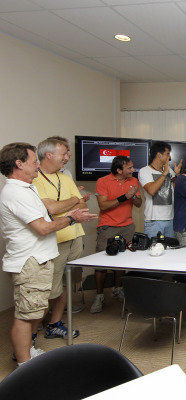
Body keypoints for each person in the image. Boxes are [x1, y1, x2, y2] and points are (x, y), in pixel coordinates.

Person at [0, 143, 96, 365]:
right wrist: (72, 219)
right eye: (33, 162)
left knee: (34, 311)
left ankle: (28, 351)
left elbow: (46, 218)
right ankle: (24, 364)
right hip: (29, 261)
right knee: (25, 316)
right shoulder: (16, 192)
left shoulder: (28, 187)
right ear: (19, 164)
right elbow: (42, 227)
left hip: (40, 259)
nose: (37, 165)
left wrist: (69, 213)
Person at [33, 138, 92, 338]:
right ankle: (32, 330)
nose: (67, 158)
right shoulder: (34, 179)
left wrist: (71, 203)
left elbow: (83, 208)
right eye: (64, 154)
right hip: (53, 240)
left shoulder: (65, 178)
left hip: (74, 236)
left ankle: (54, 323)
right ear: (49, 155)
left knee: (67, 283)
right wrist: (74, 200)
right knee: (50, 287)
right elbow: (51, 208)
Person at [91, 156, 142, 314]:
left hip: (127, 226)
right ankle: (99, 296)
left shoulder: (133, 181)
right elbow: (103, 205)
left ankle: (117, 288)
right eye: (129, 168)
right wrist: (124, 197)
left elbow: (139, 204)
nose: (133, 170)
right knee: (101, 263)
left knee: (123, 260)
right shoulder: (103, 181)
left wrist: (133, 196)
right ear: (119, 170)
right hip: (108, 227)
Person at [138, 141, 182, 238]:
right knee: (154, 251)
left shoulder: (169, 170)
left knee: (170, 251)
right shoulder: (144, 171)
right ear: (158, 155)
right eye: (167, 154)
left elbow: (174, 190)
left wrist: (177, 175)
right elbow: (151, 190)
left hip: (170, 219)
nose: (169, 157)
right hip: (154, 221)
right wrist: (164, 173)